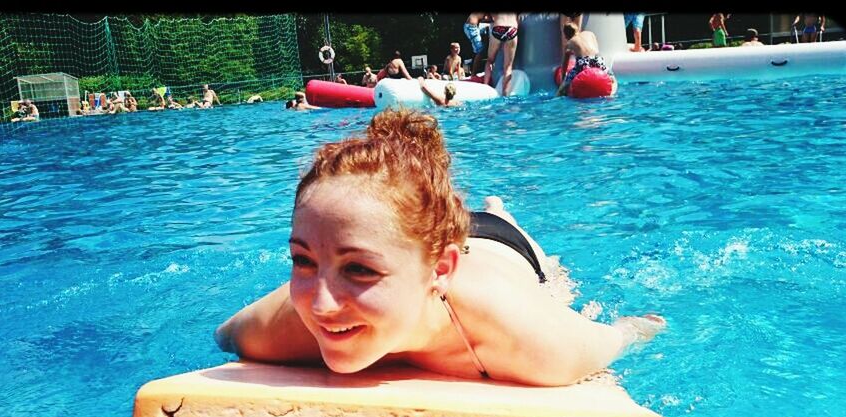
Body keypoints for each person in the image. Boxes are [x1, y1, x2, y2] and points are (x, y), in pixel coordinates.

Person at [214, 109, 666, 387]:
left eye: (358, 271)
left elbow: (614, 338)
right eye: (302, 260)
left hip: (504, 251)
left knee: (552, 280)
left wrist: (633, 328)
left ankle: (501, 211)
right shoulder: (277, 326)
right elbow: (224, 337)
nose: (322, 304)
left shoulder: (540, 345)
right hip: (411, 238)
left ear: (443, 268)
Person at [556, 21, 618, 97]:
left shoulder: (569, 43)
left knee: (565, 84)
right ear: (577, 30)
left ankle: (557, 97)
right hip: (597, 58)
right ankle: (612, 94)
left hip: (583, 61)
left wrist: (563, 80)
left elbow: (565, 64)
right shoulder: (590, 33)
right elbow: (595, 48)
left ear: (566, 36)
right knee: (612, 78)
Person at [483, 13, 519, 96]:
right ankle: (505, 94)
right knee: (508, 67)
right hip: (512, 29)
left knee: (490, 61)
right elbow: (518, 21)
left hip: (498, 27)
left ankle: (485, 88)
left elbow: (487, 17)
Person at [463, 13, 490, 79]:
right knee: (480, 50)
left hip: (474, 27)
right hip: (471, 28)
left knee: (489, 30)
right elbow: (487, 18)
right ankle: (473, 74)